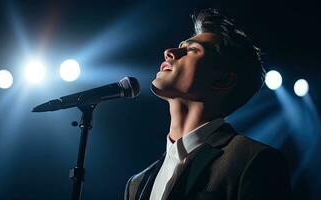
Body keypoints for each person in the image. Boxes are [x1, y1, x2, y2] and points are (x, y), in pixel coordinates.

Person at [124, 8, 291, 200]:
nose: (169, 52)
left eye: (192, 50)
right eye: (180, 46)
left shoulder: (254, 161)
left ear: (223, 81)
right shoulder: (137, 184)